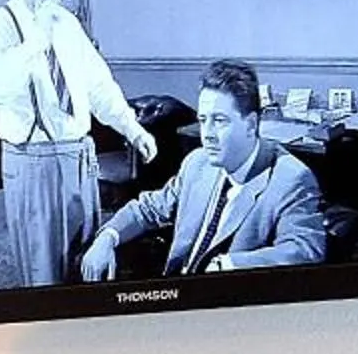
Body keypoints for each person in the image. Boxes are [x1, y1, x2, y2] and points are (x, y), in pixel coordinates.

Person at [0, 0, 160, 286]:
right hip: (34, 166)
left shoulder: (67, 23)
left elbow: (98, 84)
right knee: (45, 273)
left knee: (88, 260)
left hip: (79, 158)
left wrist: (132, 128)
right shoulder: (0, 27)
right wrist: (36, 41)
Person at [80, 60, 326, 281]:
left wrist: (231, 265)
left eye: (219, 121)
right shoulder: (198, 162)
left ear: (251, 124)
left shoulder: (291, 178)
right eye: (203, 120)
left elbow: (304, 249)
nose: (207, 134)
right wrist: (108, 236)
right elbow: (149, 208)